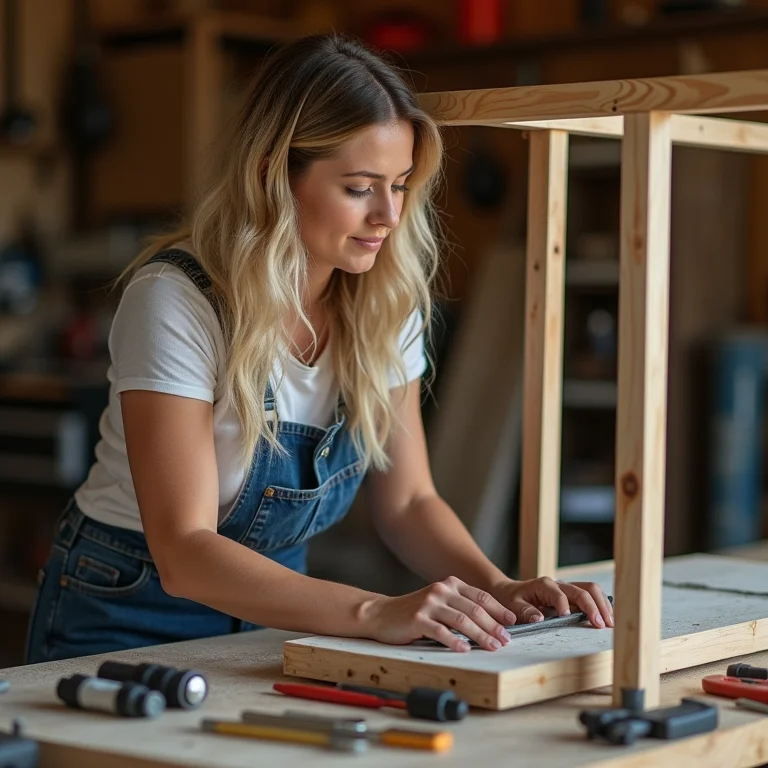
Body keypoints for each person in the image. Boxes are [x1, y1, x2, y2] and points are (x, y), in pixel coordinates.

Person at [25, 33, 613, 664]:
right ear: (273, 175)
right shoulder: (177, 299)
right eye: (360, 187)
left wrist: (500, 588)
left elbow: (409, 500)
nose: (389, 215)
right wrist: (375, 611)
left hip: (279, 610)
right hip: (125, 604)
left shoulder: (387, 303)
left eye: (401, 184)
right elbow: (185, 550)